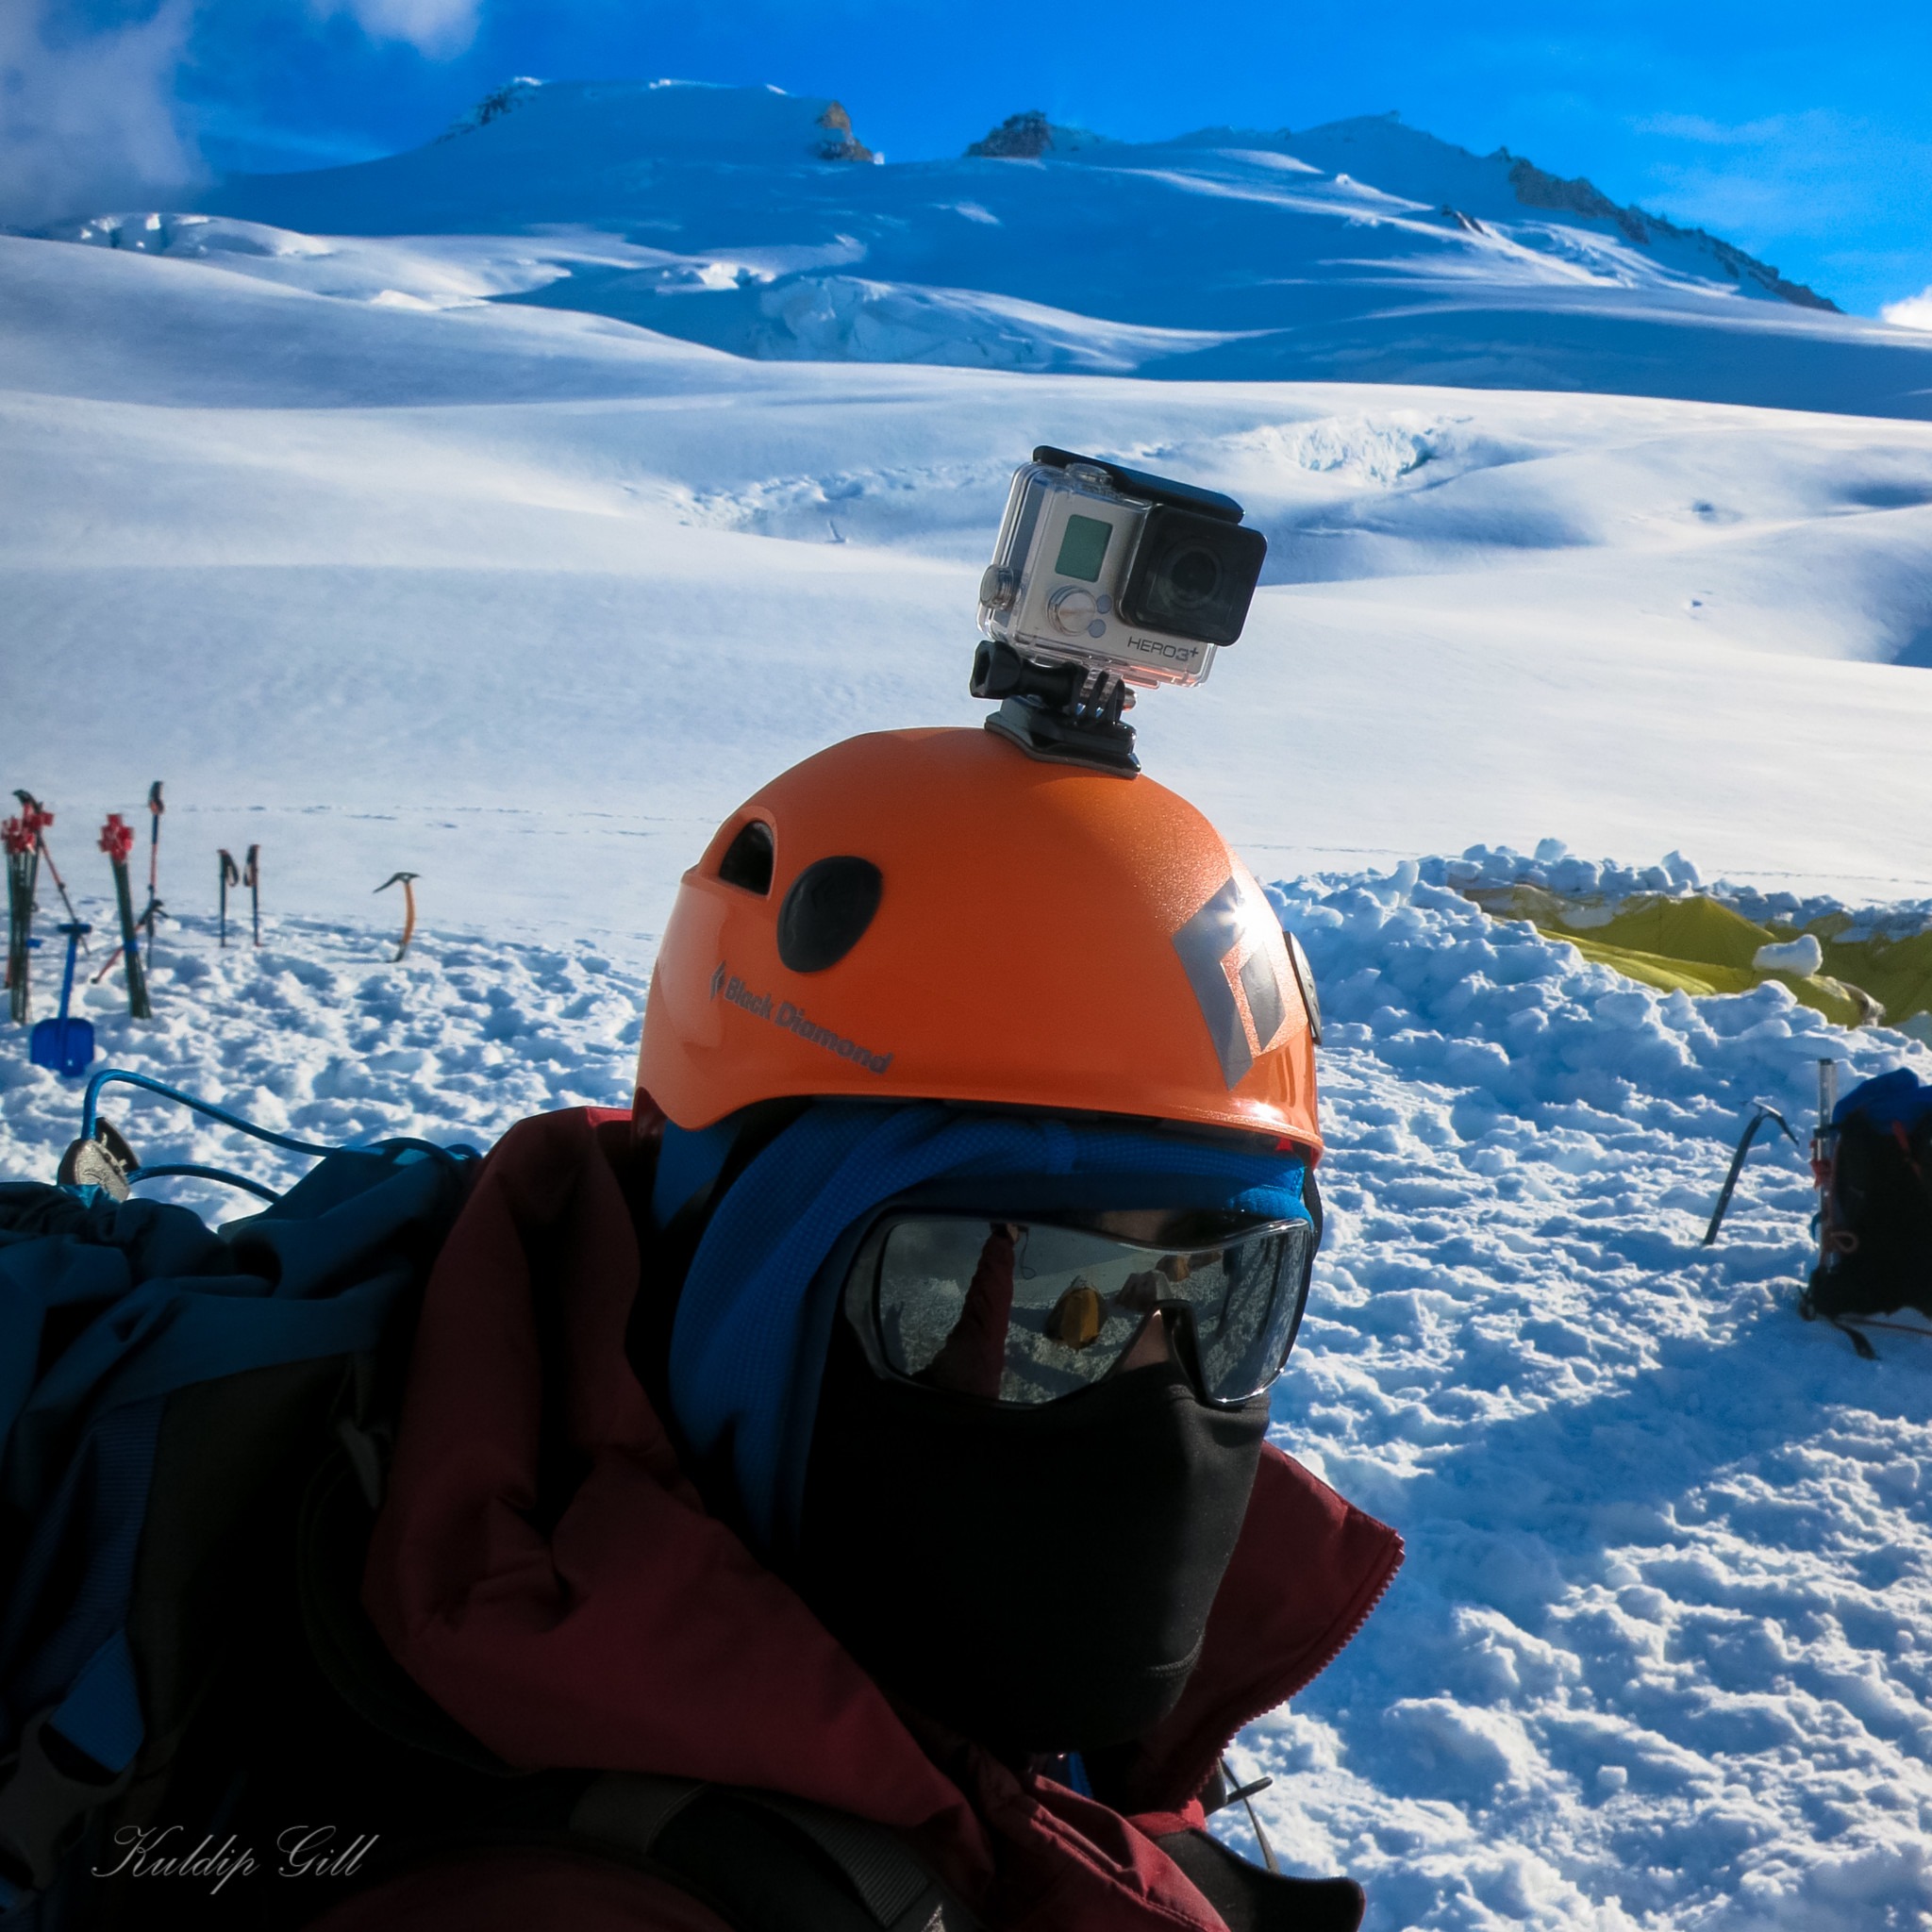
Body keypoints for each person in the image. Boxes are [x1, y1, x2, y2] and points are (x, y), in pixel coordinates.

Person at [300, 726, 1402, 1932]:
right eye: (1019, 1290)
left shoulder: (1047, 1706)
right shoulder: (563, 1895)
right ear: (734, 1281)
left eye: (1226, 1291)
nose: (1156, 1403)